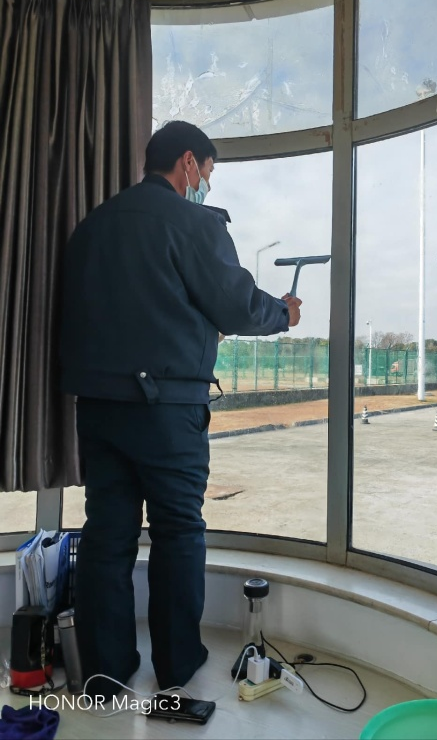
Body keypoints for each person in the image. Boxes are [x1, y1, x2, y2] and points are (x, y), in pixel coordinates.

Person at [60, 120, 301, 698]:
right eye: (208, 172)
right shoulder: (193, 222)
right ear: (188, 163)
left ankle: (104, 671)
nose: (206, 184)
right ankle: (175, 664)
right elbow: (235, 304)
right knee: (176, 532)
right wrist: (283, 313)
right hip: (167, 408)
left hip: (97, 407)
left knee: (106, 534)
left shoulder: (91, 226)